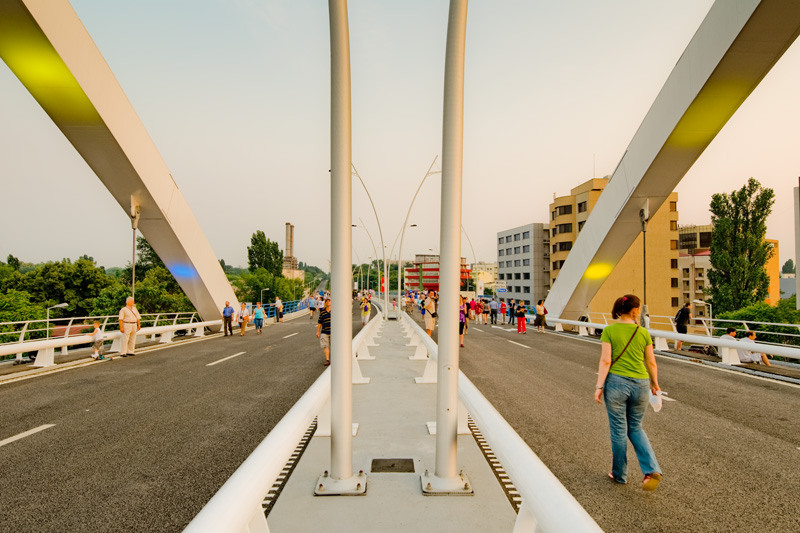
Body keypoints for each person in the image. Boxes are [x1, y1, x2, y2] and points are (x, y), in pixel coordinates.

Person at [594, 294, 662, 491]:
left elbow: (606, 360)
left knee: (618, 430)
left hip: (616, 383)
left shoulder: (609, 331)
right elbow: (651, 362)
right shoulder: (643, 333)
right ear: (636, 310)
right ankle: (651, 469)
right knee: (636, 427)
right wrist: (655, 383)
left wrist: (599, 387)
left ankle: (619, 474)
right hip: (641, 383)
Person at [316, 298, 332, 366]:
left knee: (335, 346)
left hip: (334, 332)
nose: (328, 302)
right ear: (325, 303)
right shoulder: (322, 312)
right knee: (325, 346)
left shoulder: (336, 311)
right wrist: (317, 331)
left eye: (329, 301)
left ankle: (337, 359)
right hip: (324, 331)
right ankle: (327, 360)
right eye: (326, 301)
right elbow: (320, 322)